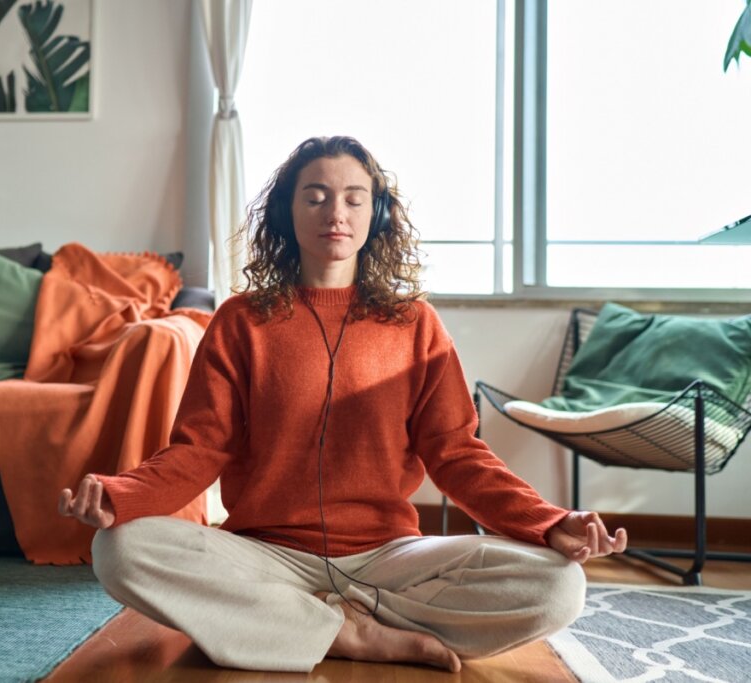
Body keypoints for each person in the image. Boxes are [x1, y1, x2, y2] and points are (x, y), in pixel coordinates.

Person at [58, 135, 627, 673]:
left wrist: (549, 523)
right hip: (266, 556)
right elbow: (200, 448)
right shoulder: (242, 321)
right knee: (121, 549)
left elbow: (457, 454)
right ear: (288, 213)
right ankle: (347, 633)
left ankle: (294, 625)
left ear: (375, 216)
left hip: (388, 559)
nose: (336, 212)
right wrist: (123, 496)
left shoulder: (415, 325)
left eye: (355, 199)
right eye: (317, 196)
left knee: (559, 586)